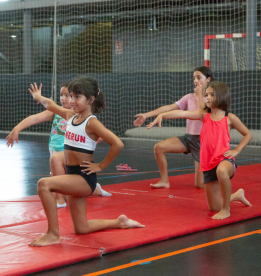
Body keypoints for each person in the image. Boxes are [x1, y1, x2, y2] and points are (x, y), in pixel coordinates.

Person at [27, 78, 144, 247]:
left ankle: (53, 234)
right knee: (82, 228)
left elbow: (117, 143)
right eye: (71, 96)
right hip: (73, 176)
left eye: (77, 97)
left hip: (83, 178)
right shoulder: (70, 116)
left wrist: (100, 165)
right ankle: (119, 222)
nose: (72, 101)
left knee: (43, 184)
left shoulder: (91, 123)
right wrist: (39, 97)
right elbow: (51, 105)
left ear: (90, 100)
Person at [147, 81, 252, 220]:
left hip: (224, 160)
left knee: (221, 171)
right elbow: (181, 113)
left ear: (221, 96)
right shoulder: (204, 115)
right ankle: (237, 195)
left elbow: (248, 134)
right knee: (214, 207)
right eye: (206, 94)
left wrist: (237, 150)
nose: (207, 97)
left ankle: (226, 210)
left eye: (211, 95)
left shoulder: (229, 118)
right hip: (208, 164)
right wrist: (163, 115)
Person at [5, 82, 111, 209]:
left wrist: (88, 143)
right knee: (68, 186)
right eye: (61, 95)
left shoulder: (78, 116)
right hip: (55, 154)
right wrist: (17, 128)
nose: (63, 98)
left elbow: (101, 136)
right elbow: (34, 118)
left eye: (68, 95)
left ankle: (60, 200)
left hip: (67, 156)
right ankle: (96, 189)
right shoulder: (56, 113)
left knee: (64, 186)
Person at [133, 66, 213, 189]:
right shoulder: (189, 97)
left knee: (200, 184)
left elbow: (203, 116)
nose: (195, 81)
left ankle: (217, 175)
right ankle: (164, 180)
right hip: (189, 138)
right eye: (194, 78)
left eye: (199, 78)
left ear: (208, 79)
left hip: (203, 141)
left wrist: (200, 95)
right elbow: (169, 108)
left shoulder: (211, 99)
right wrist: (146, 115)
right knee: (159, 148)